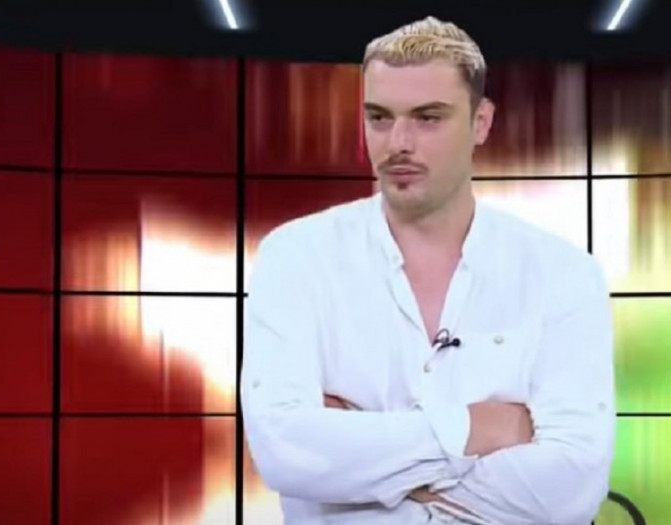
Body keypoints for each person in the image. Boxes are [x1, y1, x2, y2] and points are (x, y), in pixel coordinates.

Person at [241, 15, 616, 525]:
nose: (398, 142)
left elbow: (570, 489)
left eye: (428, 118)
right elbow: (286, 453)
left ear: (481, 122)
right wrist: (478, 429)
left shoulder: (563, 274)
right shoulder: (295, 257)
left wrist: (364, 460)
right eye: (379, 117)